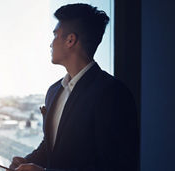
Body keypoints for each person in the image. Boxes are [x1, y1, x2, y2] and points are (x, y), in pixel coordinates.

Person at [8, 3, 138, 171]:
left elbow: (116, 166)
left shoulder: (114, 94)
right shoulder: (54, 91)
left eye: (55, 35)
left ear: (70, 40)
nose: (51, 44)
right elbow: (51, 147)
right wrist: (26, 162)